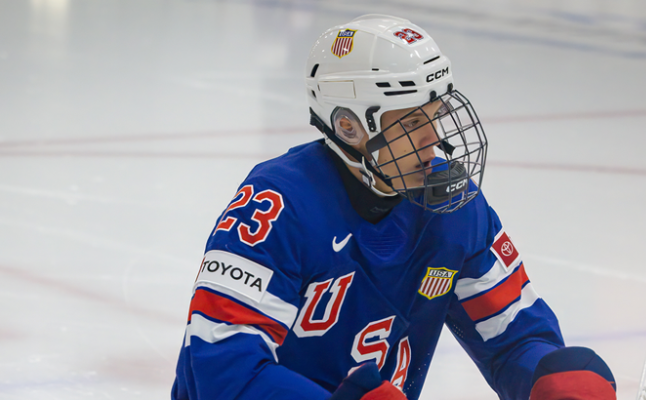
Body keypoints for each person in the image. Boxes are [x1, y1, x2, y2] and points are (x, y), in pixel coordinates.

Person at [172, 14, 616, 400]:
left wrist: (549, 377)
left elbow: (512, 337)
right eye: (411, 122)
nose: (434, 140)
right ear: (349, 126)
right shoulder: (277, 203)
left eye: (436, 116)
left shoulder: (453, 206)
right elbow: (222, 371)